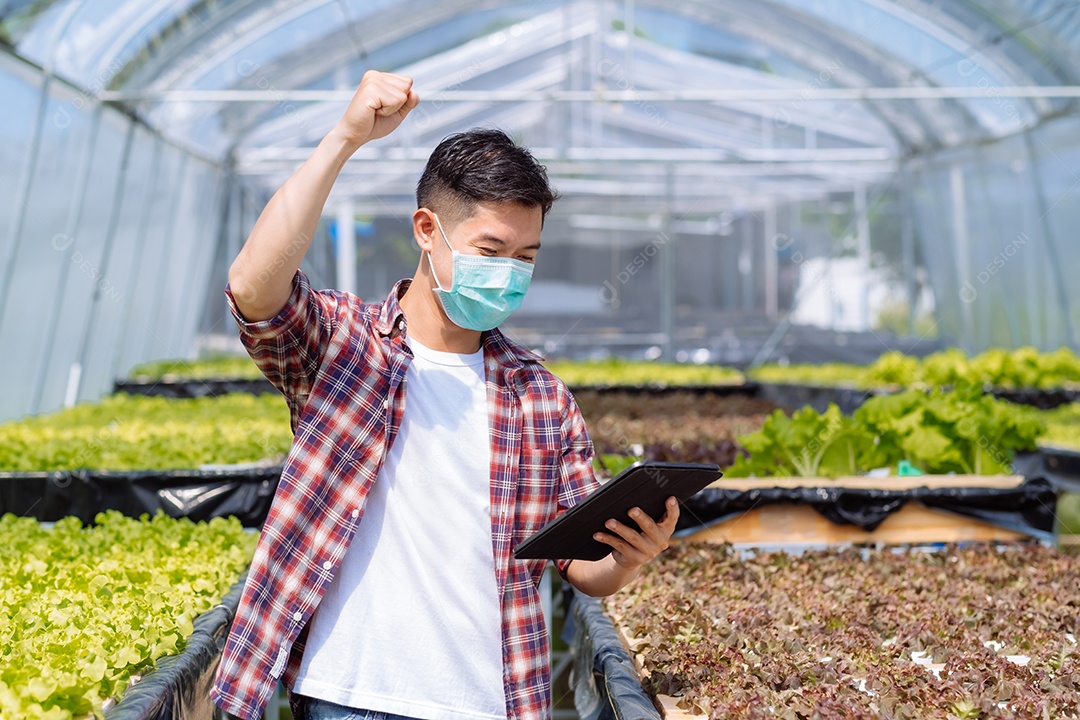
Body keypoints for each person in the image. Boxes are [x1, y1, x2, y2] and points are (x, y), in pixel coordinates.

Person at [210, 70, 681, 720]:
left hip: (492, 700)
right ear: (428, 229)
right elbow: (254, 286)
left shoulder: (538, 397)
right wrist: (344, 138)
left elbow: (581, 566)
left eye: (526, 256)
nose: (510, 273)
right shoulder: (346, 348)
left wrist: (630, 557)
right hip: (350, 696)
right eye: (492, 249)